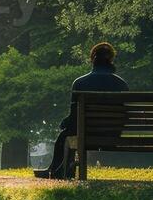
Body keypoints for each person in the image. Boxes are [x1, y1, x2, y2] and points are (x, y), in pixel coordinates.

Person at [36, 42, 128, 179]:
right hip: (112, 133)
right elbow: (124, 114)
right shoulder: (121, 84)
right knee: (68, 132)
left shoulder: (80, 83)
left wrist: (66, 122)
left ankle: (56, 170)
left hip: (86, 132)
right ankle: (58, 170)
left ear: (92, 59)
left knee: (64, 135)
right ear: (111, 59)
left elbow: (74, 116)